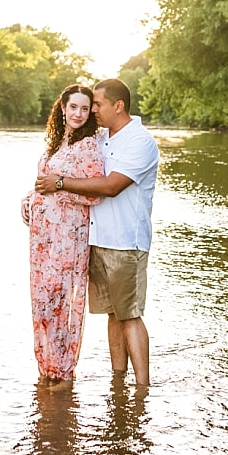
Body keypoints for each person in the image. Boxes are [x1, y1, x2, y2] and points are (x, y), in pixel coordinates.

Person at [35, 78, 159, 386]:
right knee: (112, 315)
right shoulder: (102, 138)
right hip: (95, 240)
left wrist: (60, 182)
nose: (93, 112)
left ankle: (142, 388)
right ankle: (118, 382)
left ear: (118, 106)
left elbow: (111, 186)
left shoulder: (140, 142)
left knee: (129, 314)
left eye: (98, 105)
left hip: (125, 242)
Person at [21, 84, 105, 383]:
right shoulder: (56, 143)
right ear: (63, 108)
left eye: (85, 108)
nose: (79, 114)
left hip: (68, 237)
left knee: (61, 301)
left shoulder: (88, 146)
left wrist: (59, 187)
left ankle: (64, 373)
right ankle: (46, 370)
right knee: (43, 300)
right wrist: (29, 200)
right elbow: (43, 183)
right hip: (42, 238)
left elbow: (95, 193)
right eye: (73, 107)